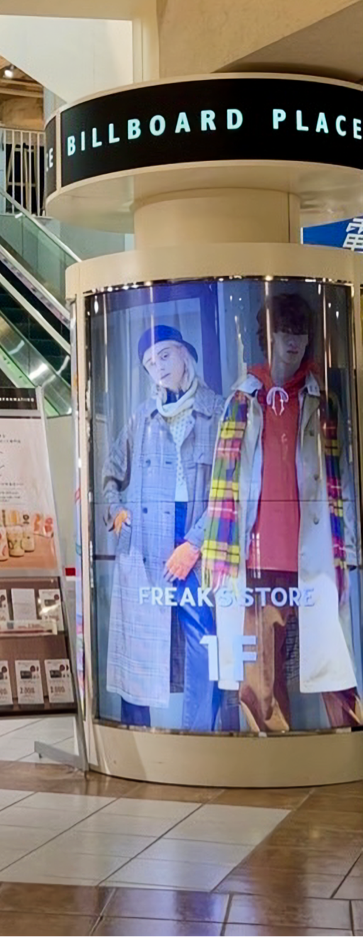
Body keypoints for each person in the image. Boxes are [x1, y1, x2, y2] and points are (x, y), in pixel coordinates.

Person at [200, 293, 363, 732]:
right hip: (259, 556)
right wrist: (218, 554)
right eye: (284, 331)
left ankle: (352, 743)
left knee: (336, 663)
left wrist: (347, 551)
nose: (293, 340)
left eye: (300, 332)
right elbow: (223, 484)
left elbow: (341, 481)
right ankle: (272, 754)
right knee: (260, 675)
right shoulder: (242, 399)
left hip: (317, 555)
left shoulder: (321, 400)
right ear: (267, 337)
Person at [100, 324, 225, 730]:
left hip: (194, 537)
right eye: (150, 363)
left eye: (165, 355)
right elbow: (110, 474)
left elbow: (231, 489)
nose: (159, 367)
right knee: (138, 644)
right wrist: (117, 514)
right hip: (145, 540)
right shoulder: (143, 416)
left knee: (203, 638)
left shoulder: (218, 410)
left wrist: (195, 542)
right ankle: (134, 737)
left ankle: (199, 736)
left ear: (185, 353)